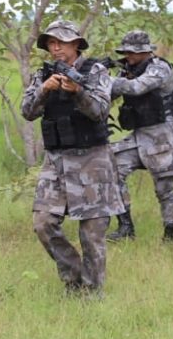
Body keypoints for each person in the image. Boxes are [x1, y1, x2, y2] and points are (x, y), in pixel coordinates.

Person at [19, 19, 123, 295]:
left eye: (61, 42)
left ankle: (91, 294)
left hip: (92, 160)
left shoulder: (95, 72)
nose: (55, 48)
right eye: (51, 43)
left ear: (76, 44)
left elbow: (101, 110)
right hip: (56, 162)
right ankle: (73, 276)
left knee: (92, 234)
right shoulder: (43, 75)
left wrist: (77, 92)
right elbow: (27, 111)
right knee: (43, 223)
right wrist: (45, 90)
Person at [105, 30, 173, 243]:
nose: (128, 56)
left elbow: (137, 88)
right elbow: (110, 95)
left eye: (132, 52)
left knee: (164, 190)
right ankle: (125, 227)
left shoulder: (160, 69)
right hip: (139, 136)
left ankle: (170, 235)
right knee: (112, 167)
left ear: (145, 52)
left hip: (162, 138)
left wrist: (104, 79)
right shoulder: (126, 70)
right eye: (125, 52)